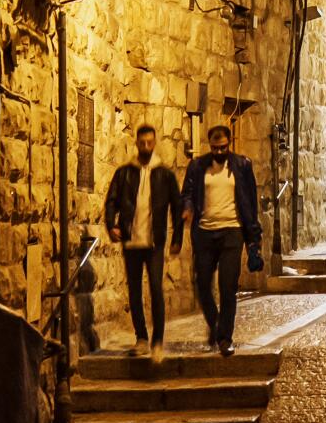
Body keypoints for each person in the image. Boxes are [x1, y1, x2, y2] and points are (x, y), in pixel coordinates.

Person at [179, 124, 261, 355]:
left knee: (227, 287)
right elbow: (187, 193)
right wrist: (187, 208)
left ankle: (225, 338)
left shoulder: (242, 165)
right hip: (205, 233)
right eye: (215, 148)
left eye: (223, 147)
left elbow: (250, 203)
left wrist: (253, 237)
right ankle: (215, 324)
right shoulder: (197, 167)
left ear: (229, 143)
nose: (218, 152)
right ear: (210, 146)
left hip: (232, 232)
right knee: (203, 284)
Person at [102, 123, 180, 357]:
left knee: (156, 288)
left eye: (149, 142)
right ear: (136, 143)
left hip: (154, 241)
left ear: (154, 143)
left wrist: (177, 238)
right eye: (142, 142)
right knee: (134, 290)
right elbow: (111, 201)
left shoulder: (164, 175)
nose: (146, 146)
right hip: (131, 239)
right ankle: (141, 338)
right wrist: (111, 225)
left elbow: (176, 208)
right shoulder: (124, 172)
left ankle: (158, 341)